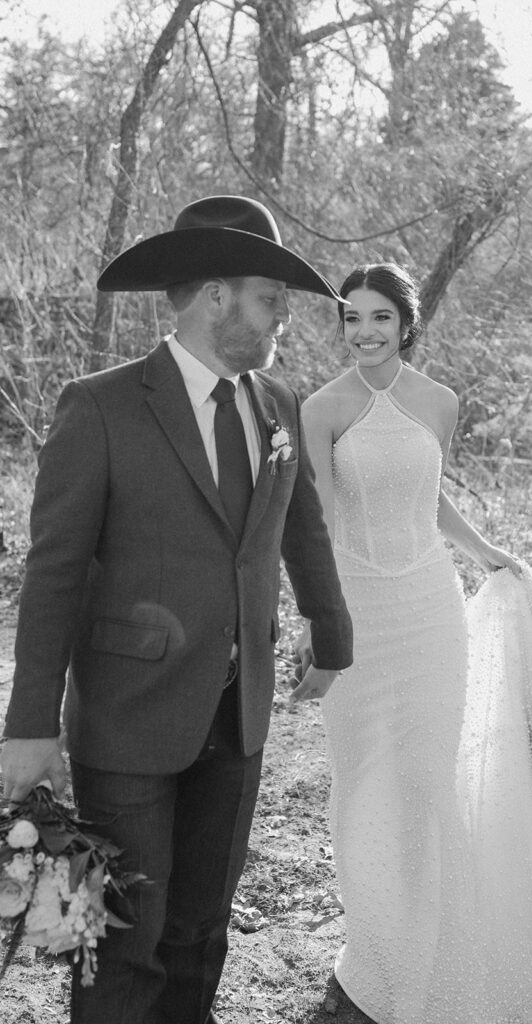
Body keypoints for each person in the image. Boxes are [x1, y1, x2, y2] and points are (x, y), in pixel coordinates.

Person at [1, 195, 353, 1024]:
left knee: (201, 932)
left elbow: (300, 528)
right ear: (216, 296)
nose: (283, 321)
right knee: (126, 938)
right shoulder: (101, 406)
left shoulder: (279, 406)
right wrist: (28, 724)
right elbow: (52, 573)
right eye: (272, 300)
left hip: (239, 718)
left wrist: (329, 633)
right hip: (129, 720)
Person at [301, 262, 532, 1024]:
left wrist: (485, 553)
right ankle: (378, 940)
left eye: (380, 318)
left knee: (423, 779)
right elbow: (319, 517)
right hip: (359, 613)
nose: (365, 333)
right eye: (352, 318)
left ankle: (434, 937)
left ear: (406, 324)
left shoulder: (440, 403)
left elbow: (430, 491)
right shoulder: (320, 407)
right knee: (362, 785)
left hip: (428, 610)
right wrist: (319, 618)